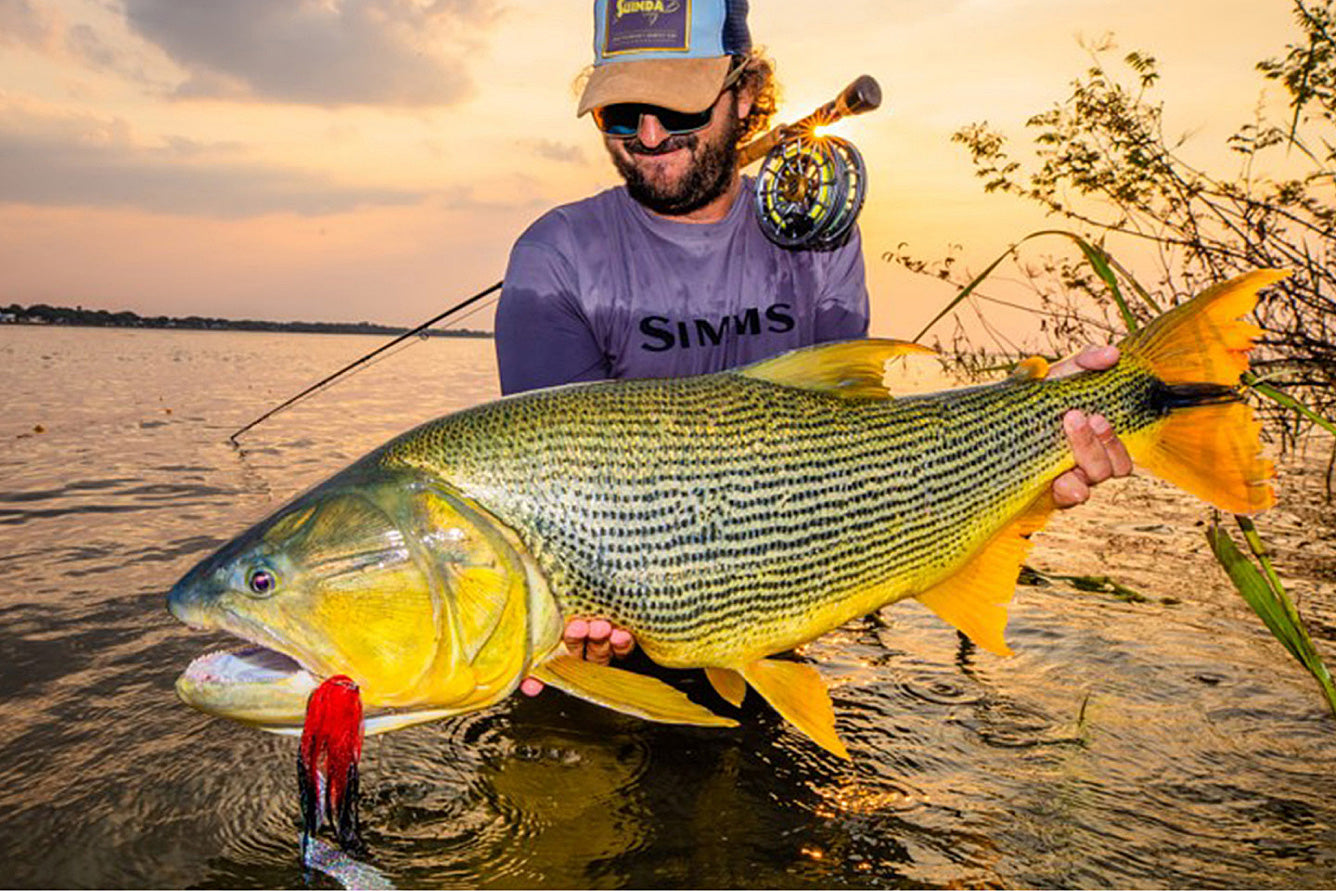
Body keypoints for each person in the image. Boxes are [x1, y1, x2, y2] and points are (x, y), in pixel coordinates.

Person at [493, 0, 1130, 687]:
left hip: (781, 619)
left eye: (678, 108)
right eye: (619, 112)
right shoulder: (553, 259)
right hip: (610, 644)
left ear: (743, 96)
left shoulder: (817, 238)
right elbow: (559, 499)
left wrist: (1040, 421)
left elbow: (856, 438)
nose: (648, 135)